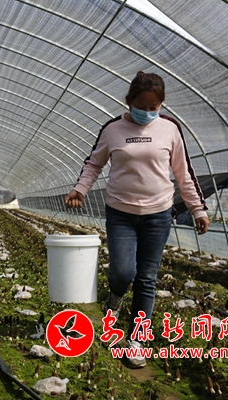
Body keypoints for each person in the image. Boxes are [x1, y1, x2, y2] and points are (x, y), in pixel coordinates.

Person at [64, 71, 210, 368]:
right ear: (128, 101)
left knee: (146, 279)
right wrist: (80, 189)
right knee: (122, 272)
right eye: (141, 106)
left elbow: (184, 173)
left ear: (161, 105)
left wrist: (198, 209)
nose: (147, 112)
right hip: (121, 214)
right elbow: (94, 164)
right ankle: (116, 296)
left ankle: (136, 340)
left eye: (154, 107)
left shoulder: (169, 129)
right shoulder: (112, 129)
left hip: (158, 215)